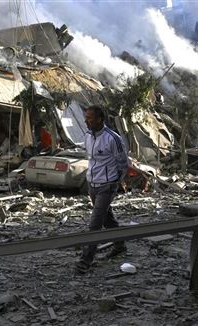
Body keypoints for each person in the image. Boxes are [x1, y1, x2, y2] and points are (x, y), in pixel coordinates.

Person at [75, 105, 129, 273]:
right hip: (93, 185)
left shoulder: (113, 138)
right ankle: (120, 245)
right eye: (86, 118)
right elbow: (91, 160)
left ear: (100, 119)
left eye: (89, 118)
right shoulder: (88, 137)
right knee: (107, 218)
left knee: (95, 224)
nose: (86, 121)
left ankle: (85, 261)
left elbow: (123, 163)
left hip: (107, 185)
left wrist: (115, 182)